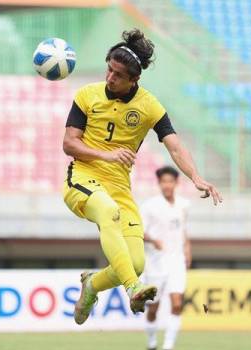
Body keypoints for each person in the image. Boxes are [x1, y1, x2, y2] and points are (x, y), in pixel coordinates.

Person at [62, 29, 221, 324]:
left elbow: (174, 145)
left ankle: (92, 285)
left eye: (118, 75)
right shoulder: (86, 95)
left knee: (135, 262)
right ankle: (132, 289)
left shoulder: (149, 106)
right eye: (109, 69)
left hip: (119, 187)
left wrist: (196, 177)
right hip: (82, 178)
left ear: (134, 80)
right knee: (108, 214)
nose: (110, 77)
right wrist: (107, 155)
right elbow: (69, 143)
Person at [140, 166, 191, 350]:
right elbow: (140, 232)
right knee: (153, 308)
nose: (167, 185)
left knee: (177, 303)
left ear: (176, 183)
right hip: (156, 262)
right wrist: (153, 241)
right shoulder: (149, 206)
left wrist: (187, 250)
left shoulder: (184, 205)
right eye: (164, 181)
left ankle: (168, 347)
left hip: (176, 261)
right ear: (159, 183)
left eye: (170, 181)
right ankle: (152, 342)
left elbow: (184, 231)